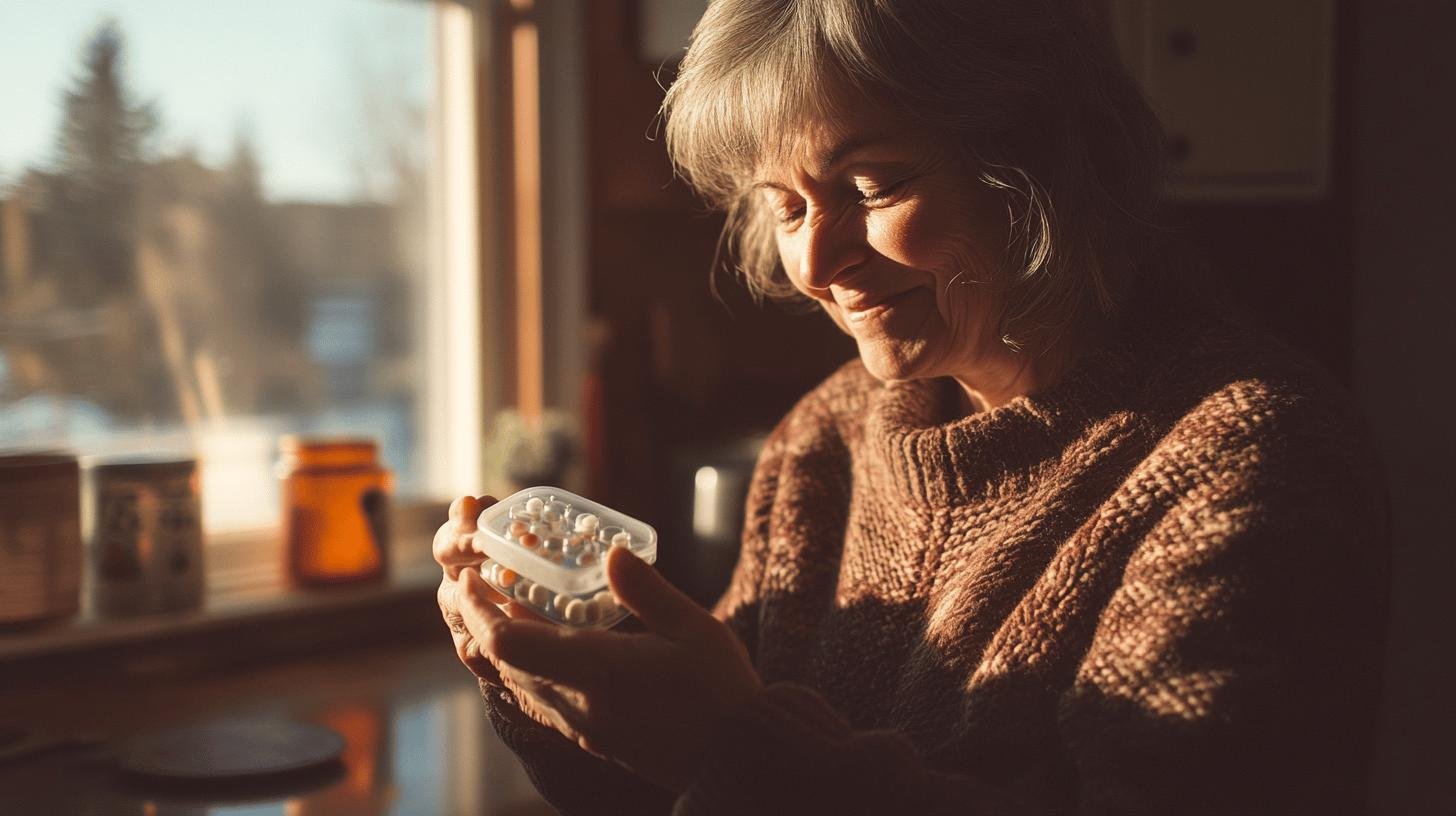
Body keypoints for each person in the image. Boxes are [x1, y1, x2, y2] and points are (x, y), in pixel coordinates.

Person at [435, 0, 1389, 813]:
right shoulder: (828, 438)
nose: (815, 264)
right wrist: (551, 671)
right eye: (787, 205)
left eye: (870, 184)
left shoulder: (1248, 455)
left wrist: (733, 746)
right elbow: (682, 793)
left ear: (1042, 161)